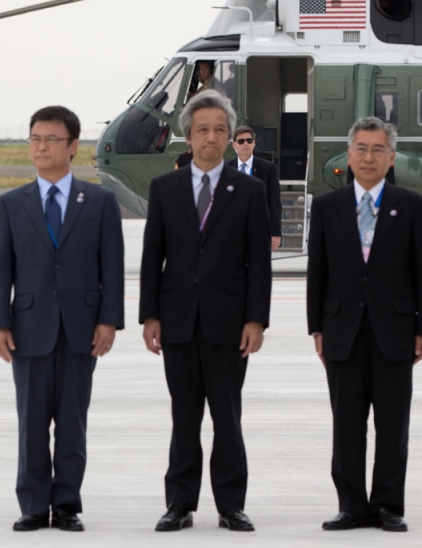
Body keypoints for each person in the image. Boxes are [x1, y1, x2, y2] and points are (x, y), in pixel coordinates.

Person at [139, 90, 272, 533]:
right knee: (184, 417)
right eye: (202, 130)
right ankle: (179, 504)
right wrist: (150, 316)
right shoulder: (165, 189)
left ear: (230, 136)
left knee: (227, 418)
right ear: (188, 136)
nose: (211, 137)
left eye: (219, 130)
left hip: (230, 324)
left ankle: (231, 505)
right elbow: (152, 256)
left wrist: (256, 320)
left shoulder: (250, 191)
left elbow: (259, 262)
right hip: (176, 321)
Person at [0, 106, 125, 533]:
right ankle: (32, 503)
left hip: (82, 329)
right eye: (35, 138)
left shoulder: (99, 202)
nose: (41, 146)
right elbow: (0, 270)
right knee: (30, 420)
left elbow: (113, 267)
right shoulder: (12, 204)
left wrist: (110, 321)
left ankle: (66, 503)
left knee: (71, 419)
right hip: (28, 328)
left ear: (72, 146)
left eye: (50, 139)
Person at [306, 117, 422, 533]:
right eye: (361, 148)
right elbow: (318, 273)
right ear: (349, 155)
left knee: (393, 424)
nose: (368, 157)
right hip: (342, 331)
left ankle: (387, 505)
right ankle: (351, 505)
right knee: (346, 423)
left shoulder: (412, 206)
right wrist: (317, 328)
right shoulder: (327, 208)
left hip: (395, 332)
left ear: (391, 157)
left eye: (378, 149)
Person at [228, 125, 282, 251]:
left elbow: (274, 202)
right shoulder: (225, 169)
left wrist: (275, 233)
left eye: (249, 140)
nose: (245, 144)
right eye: (241, 141)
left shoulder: (268, 169)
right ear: (234, 145)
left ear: (254, 143)